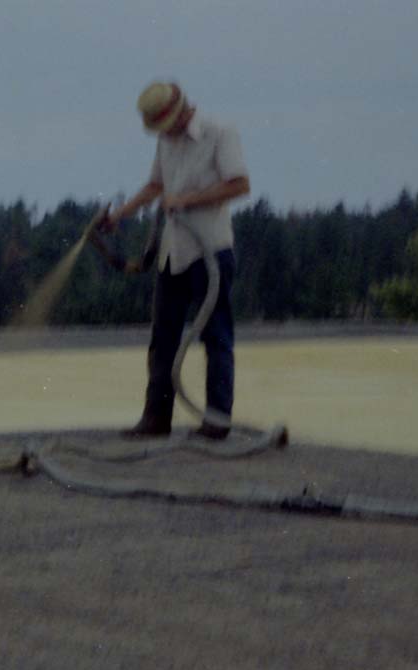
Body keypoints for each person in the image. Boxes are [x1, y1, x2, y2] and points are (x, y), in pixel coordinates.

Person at [102, 81, 251, 439]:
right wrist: (121, 213)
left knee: (216, 338)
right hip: (173, 252)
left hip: (210, 251)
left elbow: (239, 185)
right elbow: (156, 185)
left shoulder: (220, 132)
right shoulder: (165, 140)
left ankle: (217, 422)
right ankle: (156, 419)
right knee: (163, 338)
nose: (164, 134)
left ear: (183, 111)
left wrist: (188, 200)